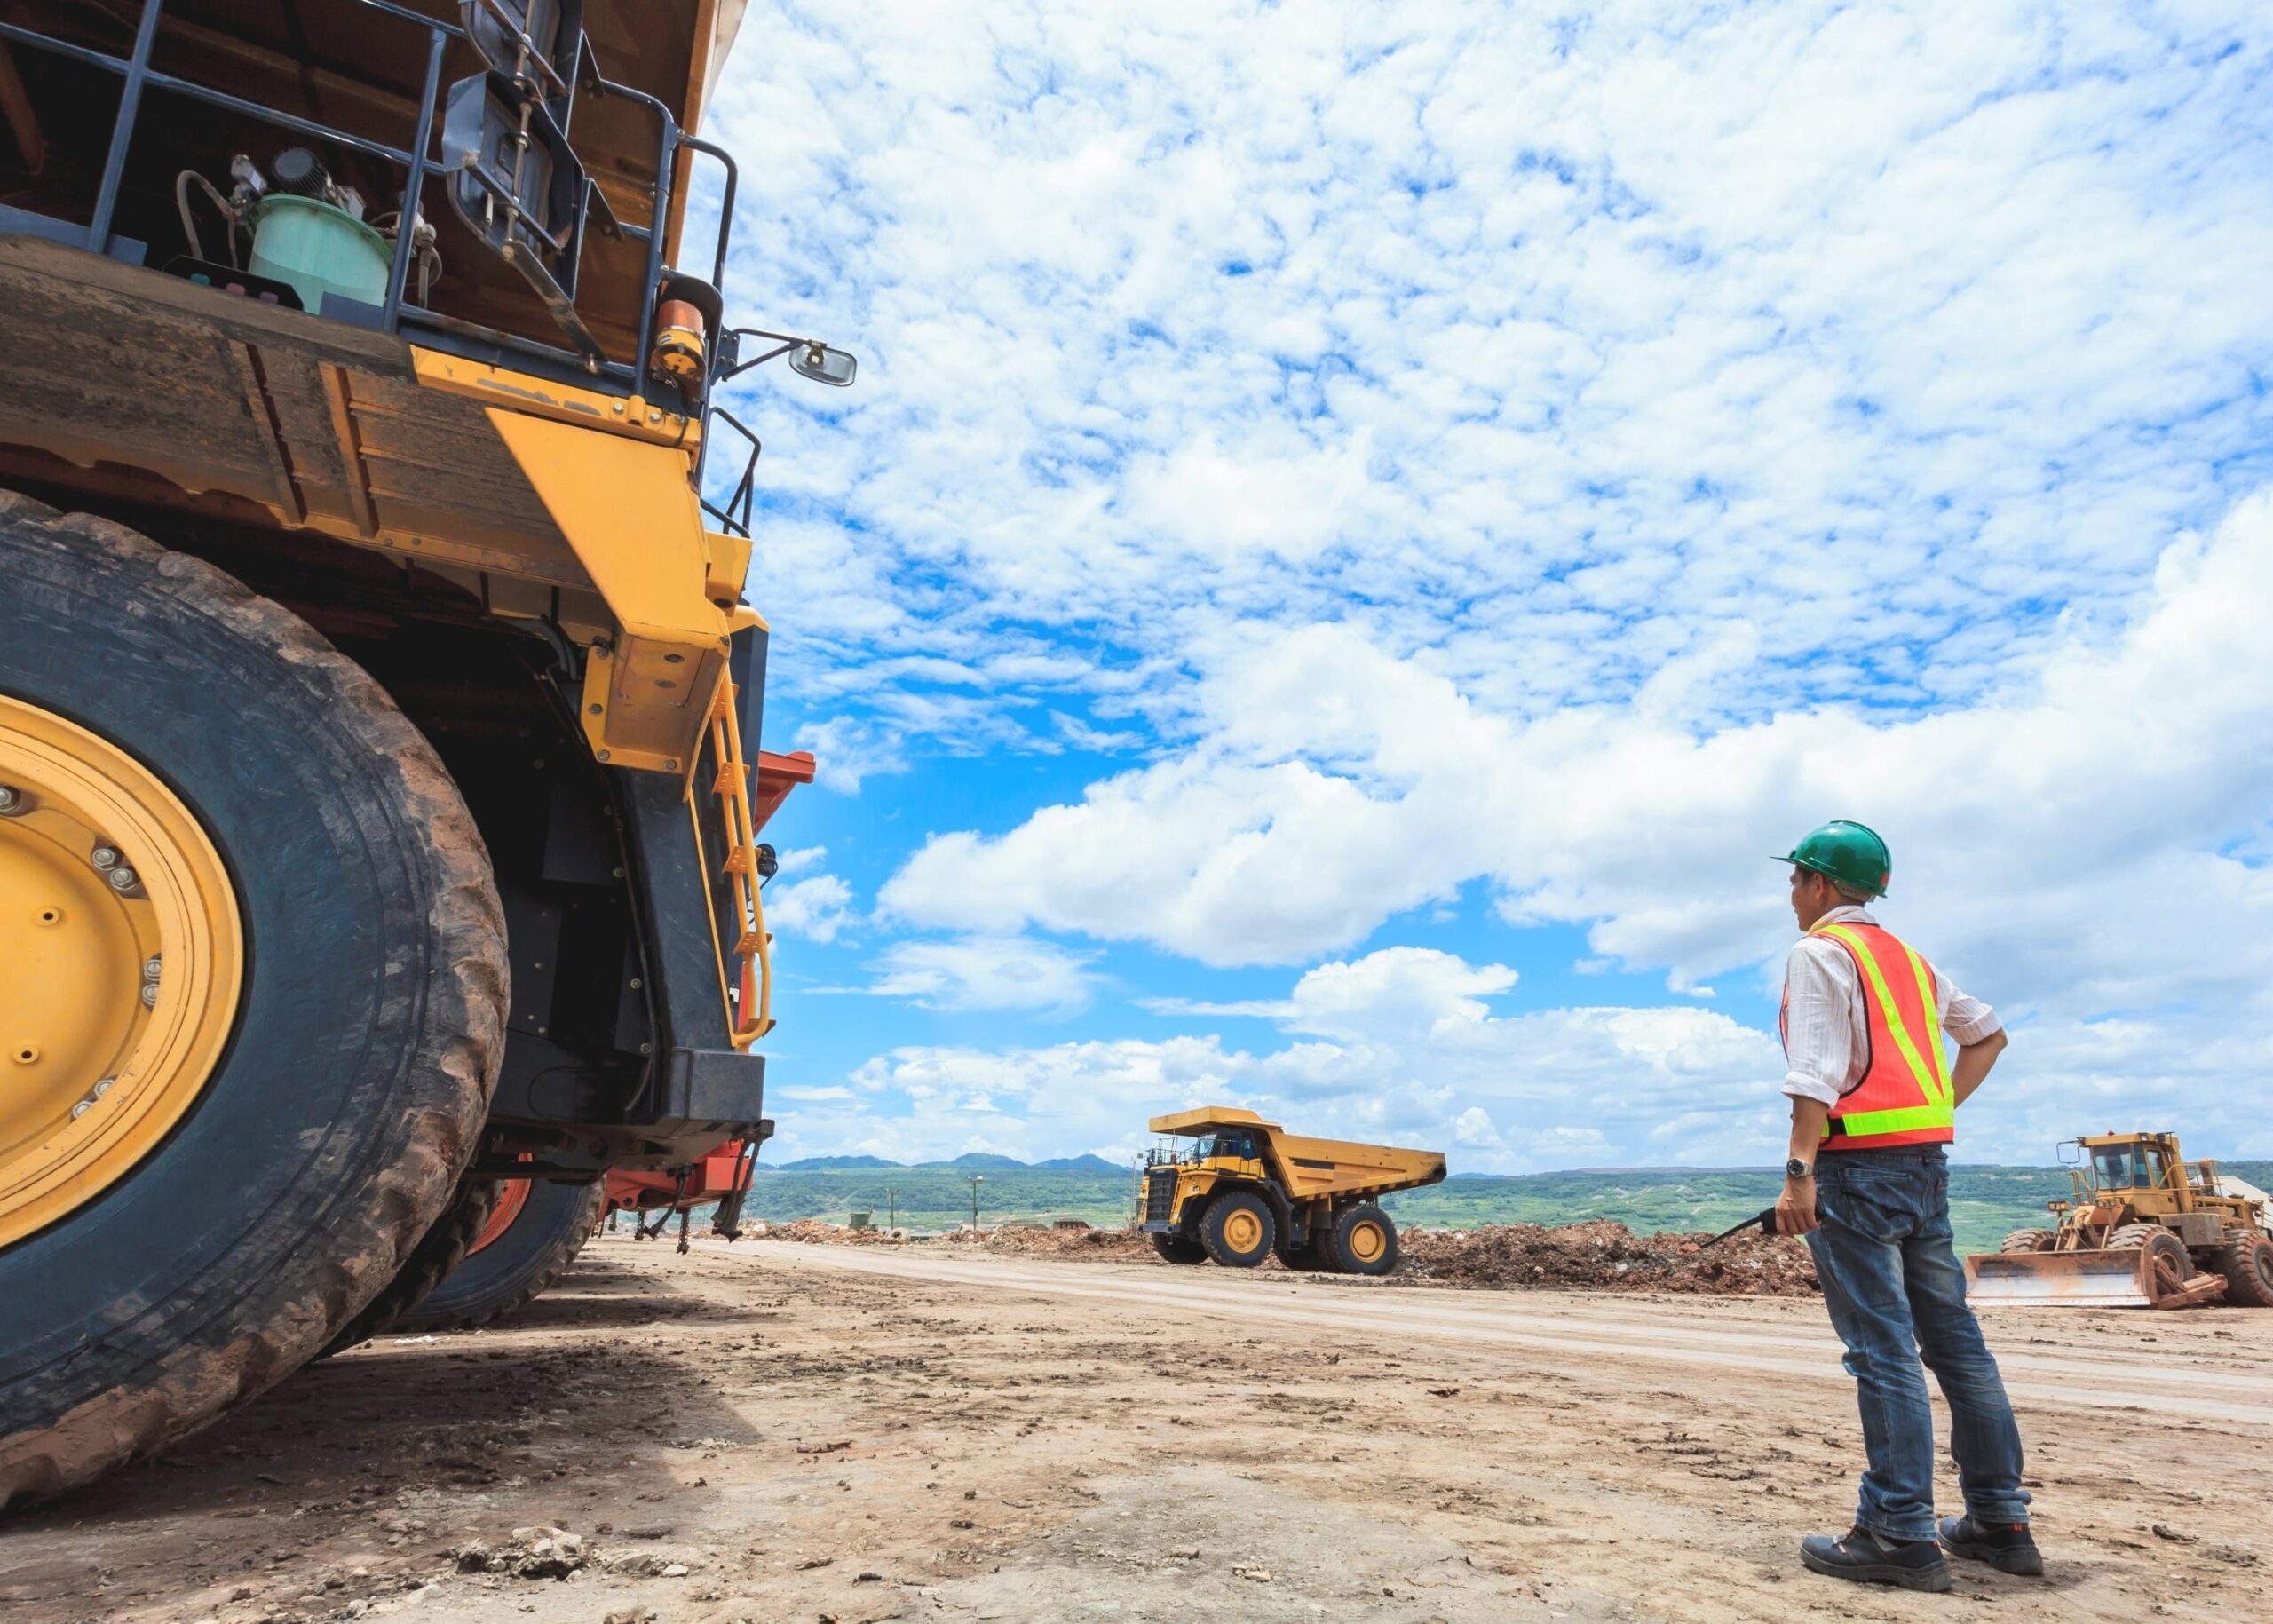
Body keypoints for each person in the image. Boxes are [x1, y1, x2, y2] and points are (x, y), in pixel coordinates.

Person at [1772, 820, 2039, 1592]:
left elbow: (1814, 1074)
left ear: (1821, 884)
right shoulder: (1909, 960)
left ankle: (1898, 1533)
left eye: (1796, 879)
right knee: (1957, 1346)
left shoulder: (1820, 951)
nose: (1791, 894)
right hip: (1925, 1168)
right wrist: (1935, 1110)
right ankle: (1999, 1519)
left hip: (1855, 1173)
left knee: (1882, 1349)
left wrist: (1799, 1173)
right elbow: (1986, 1035)